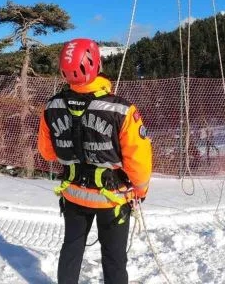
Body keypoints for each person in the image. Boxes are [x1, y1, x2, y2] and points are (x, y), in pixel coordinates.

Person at [37, 38, 152, 284]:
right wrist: (140, 189)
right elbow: (138, 158)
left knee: (71, 249)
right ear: (96, 64)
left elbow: (47, 152)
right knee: (113, 258)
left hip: (73, 194)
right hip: (113, 198)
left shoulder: (52, 106)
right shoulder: (121, 110)